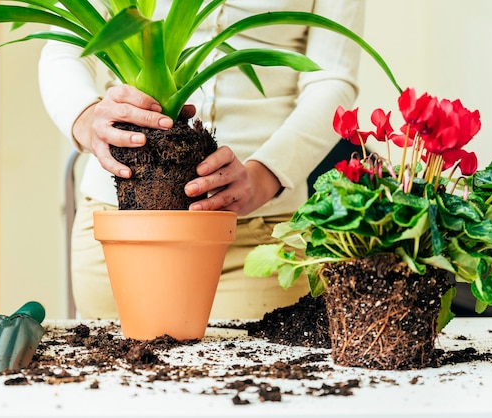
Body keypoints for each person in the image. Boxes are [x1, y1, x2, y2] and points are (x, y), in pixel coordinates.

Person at [38, 0, 365, 320]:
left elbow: (330, 77)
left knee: (249, 373)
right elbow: (64, 47)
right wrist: (87, 119)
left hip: (253, 233)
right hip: (120, 222)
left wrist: (264, 176)